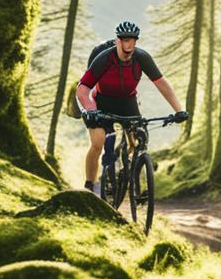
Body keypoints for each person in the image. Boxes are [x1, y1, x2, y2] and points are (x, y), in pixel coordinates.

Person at [75, 21, 188, 195]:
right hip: (102, 103)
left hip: (128, 102)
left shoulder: (142, 57)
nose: (128, 46)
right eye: (124, 41)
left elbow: (162, 84)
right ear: (117, 41)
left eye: (132, 41)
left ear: (136, 42)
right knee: (98, 143)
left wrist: (179, 110)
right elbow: (82, 89)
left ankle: (125, 172)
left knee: (138, 140)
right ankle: (90, 185)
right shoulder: (105, 58)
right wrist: (91, 110)